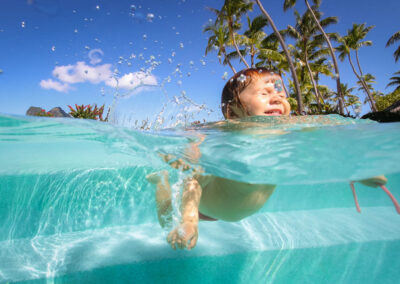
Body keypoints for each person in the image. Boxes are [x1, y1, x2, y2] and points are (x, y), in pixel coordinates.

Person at [147, 67, 398, 251]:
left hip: (231, 210)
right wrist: (190, 221)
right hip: (204, 208)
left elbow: (320, 149)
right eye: (264, 93)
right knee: (167, 218)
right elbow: (194, 180)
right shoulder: (223, 137)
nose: (277, 97)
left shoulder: (290, 133)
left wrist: (353, 168)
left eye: (280, 93)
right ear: (233, 111)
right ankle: (161, 183)